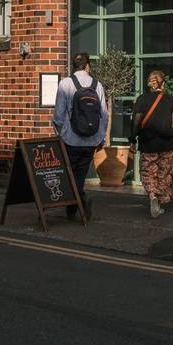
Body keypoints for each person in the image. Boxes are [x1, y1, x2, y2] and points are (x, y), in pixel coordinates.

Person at [52, 52, 107, 221]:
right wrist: (101, 137)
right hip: (90, 139)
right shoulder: (97, 85)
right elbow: (104, 115)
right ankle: (72, 208)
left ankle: (79, 203)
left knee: (70, 173)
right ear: (87, 65)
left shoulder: (65, 84)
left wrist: (60, 133)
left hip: (71, 139)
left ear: (74, 66)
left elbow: (59, 115)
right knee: (80, 174)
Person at [131, 70, 173, 218]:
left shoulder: (141, 99)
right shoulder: (171, 100)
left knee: (148, 172)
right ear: (163, 83)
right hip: (166, 143)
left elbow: (136, 122)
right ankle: (159, 201)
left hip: (148, 143)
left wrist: (132, 139)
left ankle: (152, 196)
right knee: (164, 174)